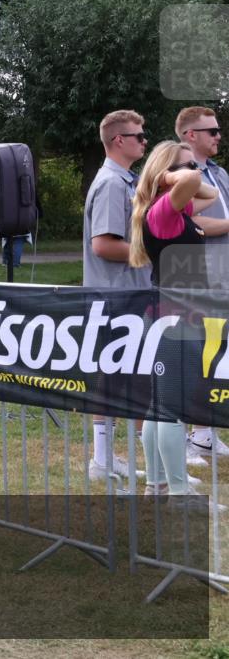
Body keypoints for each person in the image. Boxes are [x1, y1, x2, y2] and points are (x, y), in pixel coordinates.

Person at [128, 140, 229, 501]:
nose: (194, 170)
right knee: (172, 408)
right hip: (176, 319)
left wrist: (178, 173)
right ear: (167, 174)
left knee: (160, 407)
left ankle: (156, 485)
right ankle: (180, 492)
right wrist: (172, 174)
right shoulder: (163, 213)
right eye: (185, 165)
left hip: (174, 316)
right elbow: (191, 181)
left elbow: (211, 192)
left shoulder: (176, 212)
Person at [82, 110, 151, 482]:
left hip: (129, 294)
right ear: (118, 141)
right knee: (112, 377)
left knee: (132, 377)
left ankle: (115, 458)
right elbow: (103, 245)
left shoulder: (127, 180)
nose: (144, 141)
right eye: (139, 136)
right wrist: (151, 251)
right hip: (116, 297)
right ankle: (102, 459)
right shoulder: (111, 183)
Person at [175, 107, 229, 461]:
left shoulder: (220, 173)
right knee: (192, 353)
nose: (218, 136)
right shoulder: (180, 175)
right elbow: (191, 224)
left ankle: (206, 432)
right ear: (190, 135)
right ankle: (186, 433)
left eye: (219, 130)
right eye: (211, 131)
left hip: (222, 275)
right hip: (195, 275)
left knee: (217, 353)